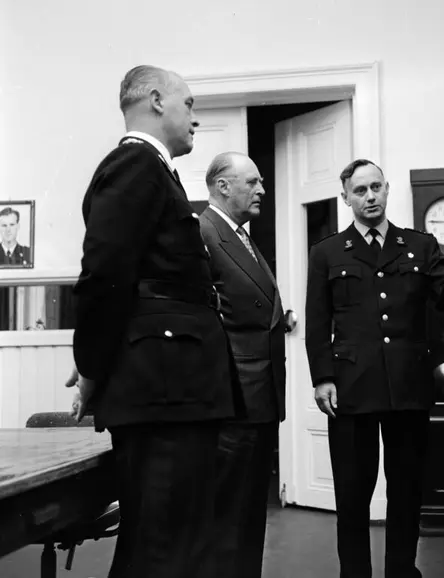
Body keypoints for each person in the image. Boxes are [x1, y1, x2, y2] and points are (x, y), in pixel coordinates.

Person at [68, 65, 241, 578]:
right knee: (161, 551)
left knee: (173, 545)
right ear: (157, 100)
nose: (195, 118)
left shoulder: (153, 170)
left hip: (173, 388)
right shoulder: (135, 165)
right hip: (163, 391)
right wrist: (92, 368)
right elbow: (104, 276)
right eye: (189, 104)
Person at [304, 159, 444, 578]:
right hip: (351, 388)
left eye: (376, 187)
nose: (370, 197)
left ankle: (402, 570)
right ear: (346, 198)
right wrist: (323, 378)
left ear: (386, 190)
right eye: (360, 190)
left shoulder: (420, 245)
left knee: (406, 489)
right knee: (352, 494)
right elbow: (317, 321)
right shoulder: (327, 252)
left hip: (408, 386)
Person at [200, 151, 286, 578]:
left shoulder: (238, 236)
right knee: (229, 518)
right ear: (223, 186)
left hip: (257, 398)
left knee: (250, 514)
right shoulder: (203, 232)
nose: (261, 190)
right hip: (232, 399)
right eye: (252, 182)